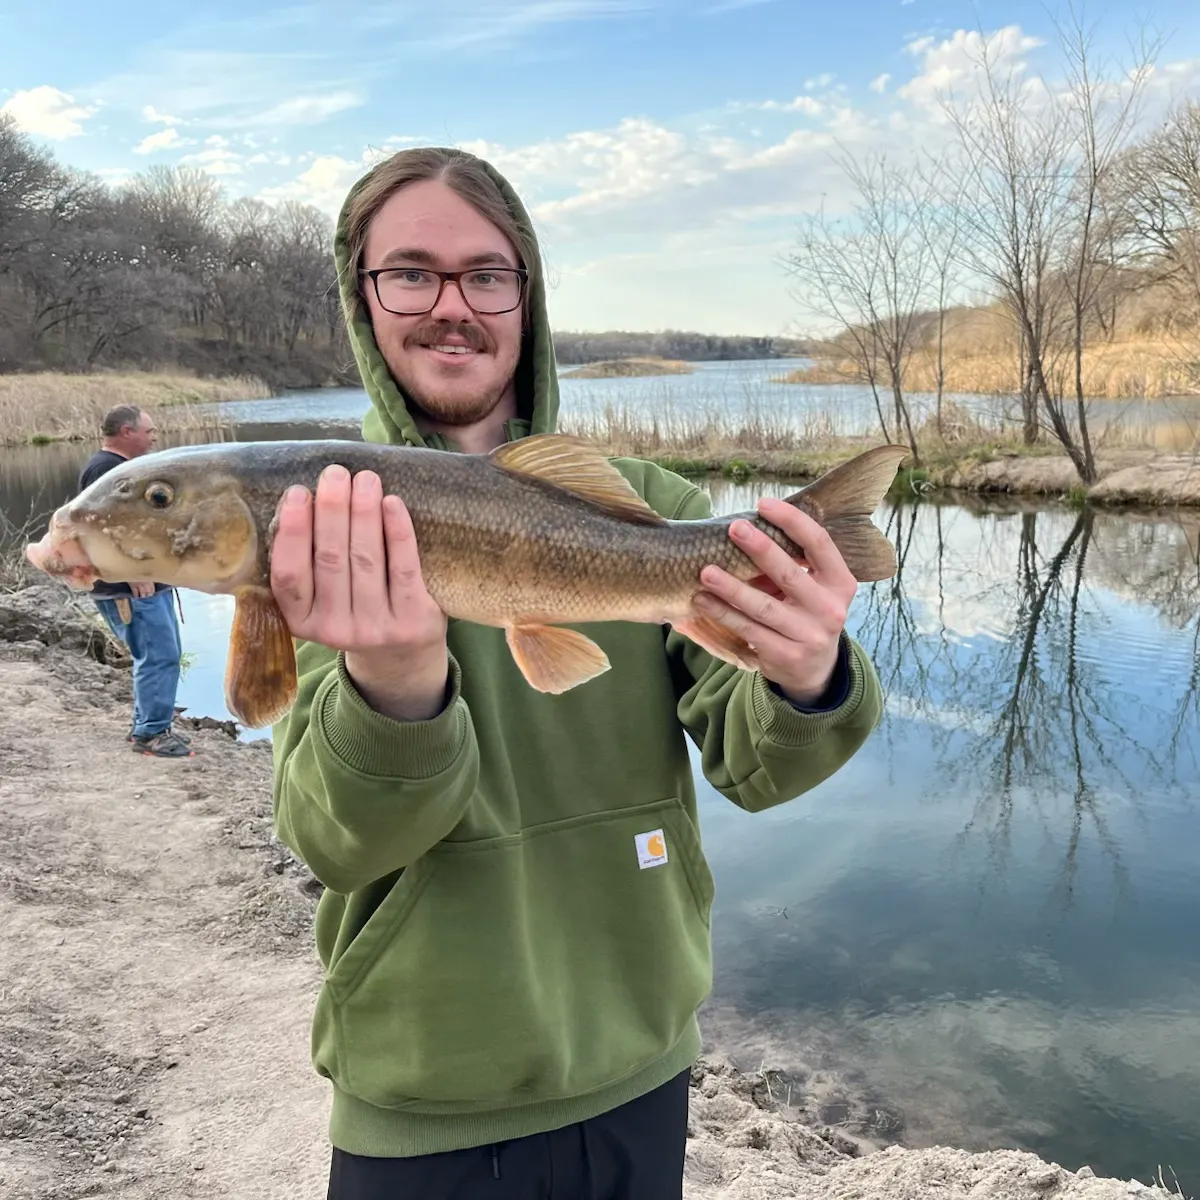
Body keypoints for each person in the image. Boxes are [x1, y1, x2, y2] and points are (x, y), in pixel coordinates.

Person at [269, 147, 884, 1200]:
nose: (450, 305)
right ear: (363, 300)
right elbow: (335, 841)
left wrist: (808, 674)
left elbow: (760, 767)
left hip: (638, 1067)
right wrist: (396, 683)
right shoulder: (324, 521)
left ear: (528, 296)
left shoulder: (648, 503)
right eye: (410, 272)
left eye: (487, 274)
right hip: (421, 1094)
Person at [80, 405, 193, 759]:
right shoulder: (104, 469)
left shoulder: (121, 468)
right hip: (131, 588)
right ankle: (152, 734)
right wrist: (132, 575)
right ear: (127, 432)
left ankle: (146, 724)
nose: (155, 436)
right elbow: (99, 531)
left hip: (146, 584)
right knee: (159, 655)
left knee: (163, 653)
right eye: (150, 430)